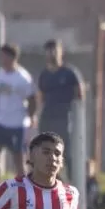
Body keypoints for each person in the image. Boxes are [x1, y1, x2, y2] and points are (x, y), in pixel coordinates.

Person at [0, 44, 37, 190]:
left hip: (17, 124)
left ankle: (25, 190)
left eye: (5, 56)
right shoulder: (0, 74)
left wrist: (31, 116)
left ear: (12, 57)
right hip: (0, 122)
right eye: (1, 56)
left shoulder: (23, 77)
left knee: (18, 160)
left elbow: (32, 99)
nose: (2, 59)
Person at [36, 39, 83, 175]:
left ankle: (73, 180)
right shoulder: (44, 75)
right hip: (48, 117)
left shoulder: (70, 73)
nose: (52, 54)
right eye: (49, 51)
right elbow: (41, 97)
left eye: (55, 50)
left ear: (61, 52)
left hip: (65, 118)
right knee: (45, 149)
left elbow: (79, 95)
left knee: (66, 151)